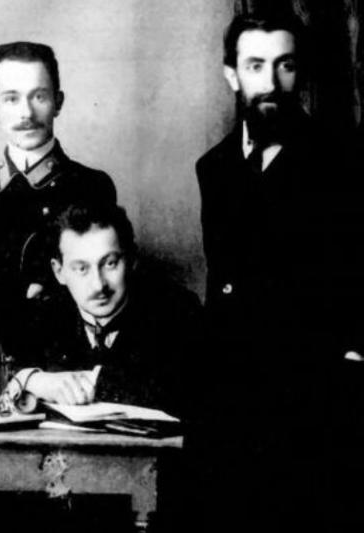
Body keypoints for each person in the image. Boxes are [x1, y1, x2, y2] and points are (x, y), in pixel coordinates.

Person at [192, 11, 364, 531]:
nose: (270, 82)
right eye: (255, 66)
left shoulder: (346, 162)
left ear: (299, 72)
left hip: (316, 406)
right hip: (230, 404)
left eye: (284, 65)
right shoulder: (214, 168)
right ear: (232, 75)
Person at [0, 41, 116, 366]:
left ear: (58, 102)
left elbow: (74, 294)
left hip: (59, 371)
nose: (26, 113)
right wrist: (28, 281)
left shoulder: (89, 186)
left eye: (39, 96)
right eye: (11, 99)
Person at [6, 203, 201, 418]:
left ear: (131, 260)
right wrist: (34, 380)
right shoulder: (43, 315)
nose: (99, 285)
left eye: (110, 264)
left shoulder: (178, 311)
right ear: (59, 271)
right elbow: (1, 377)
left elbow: (182, 393)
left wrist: (90, 382)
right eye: (82, 269)